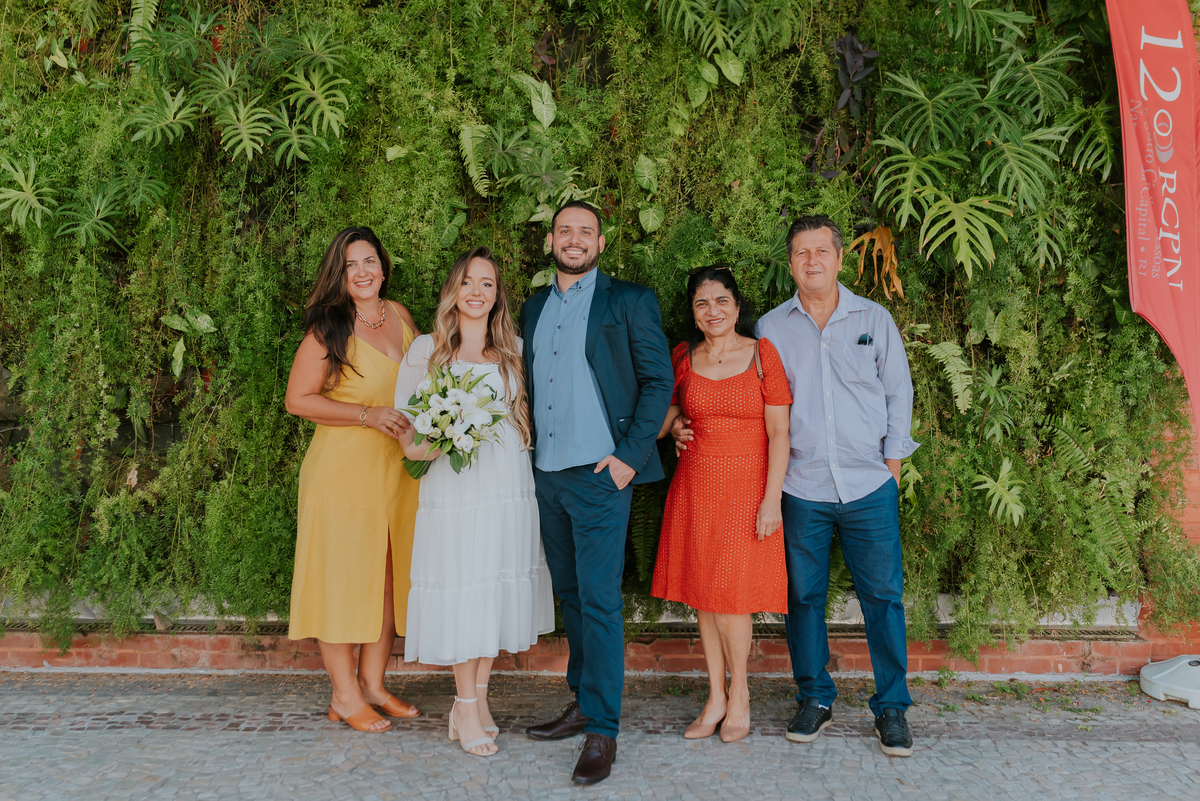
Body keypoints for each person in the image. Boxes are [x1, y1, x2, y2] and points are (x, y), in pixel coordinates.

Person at [518, 201, 673, 785]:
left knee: (602, 601)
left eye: (585, 231)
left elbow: (660, 380)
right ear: (551, 240)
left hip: (601, 477)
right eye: (565, 230)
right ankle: (582, 700)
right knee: (572, 595)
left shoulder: (628, 300)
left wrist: (628, 461)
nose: (574, 239)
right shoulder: (534, 306)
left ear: (600, 243)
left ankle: (603, 731)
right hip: (548, 475)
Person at [754, 214, 920, 756]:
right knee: (802, 598)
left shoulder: (874, 318)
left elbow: (899, 394)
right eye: (802, 253)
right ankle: (815, 698)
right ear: (791, 263)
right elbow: (758, 405)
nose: (812, 261)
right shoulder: (771, 328)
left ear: (839, 258)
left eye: (821, 251)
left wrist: (891, 468)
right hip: (803, 485)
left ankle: (892, 708)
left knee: (883, 599)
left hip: (869, 485)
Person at [395, 247, 554, 757]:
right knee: (466, 589)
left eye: (487, 283)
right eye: (468, 282)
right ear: (453, 291)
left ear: (497, 294)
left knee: (491, 591)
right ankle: (464, 704)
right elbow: (409, 439)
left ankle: (476, 703)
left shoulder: (515, 351)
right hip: (456, 491)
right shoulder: (427, 351)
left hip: (507, 489)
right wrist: (442, 433)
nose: (477, 292)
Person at [284, 226, 423, 733]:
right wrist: (366, 414)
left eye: (369, 261)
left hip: (398, 469)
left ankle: (373, 684)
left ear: (383, 266)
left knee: (386, 580)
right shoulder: (329, 329)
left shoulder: (402, 317)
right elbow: (298, 399)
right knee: (342, 582)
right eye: (350, 266)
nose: (362, 273)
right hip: (343, 472)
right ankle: (343, 696)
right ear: (339, 276)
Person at [652, 266, 792, 744]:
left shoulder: (761, 355)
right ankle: (714, 697)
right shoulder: (683, 358)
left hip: (747, 488)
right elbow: (666, 411)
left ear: (736, 306)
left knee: (731, 600)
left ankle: (741, 696)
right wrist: (672, 427)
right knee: (703, 598)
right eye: (702, 304)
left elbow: (780, 432)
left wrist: (772, 499)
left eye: (721, 301)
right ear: (693, 312)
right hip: (696, 487)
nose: (712, 311)